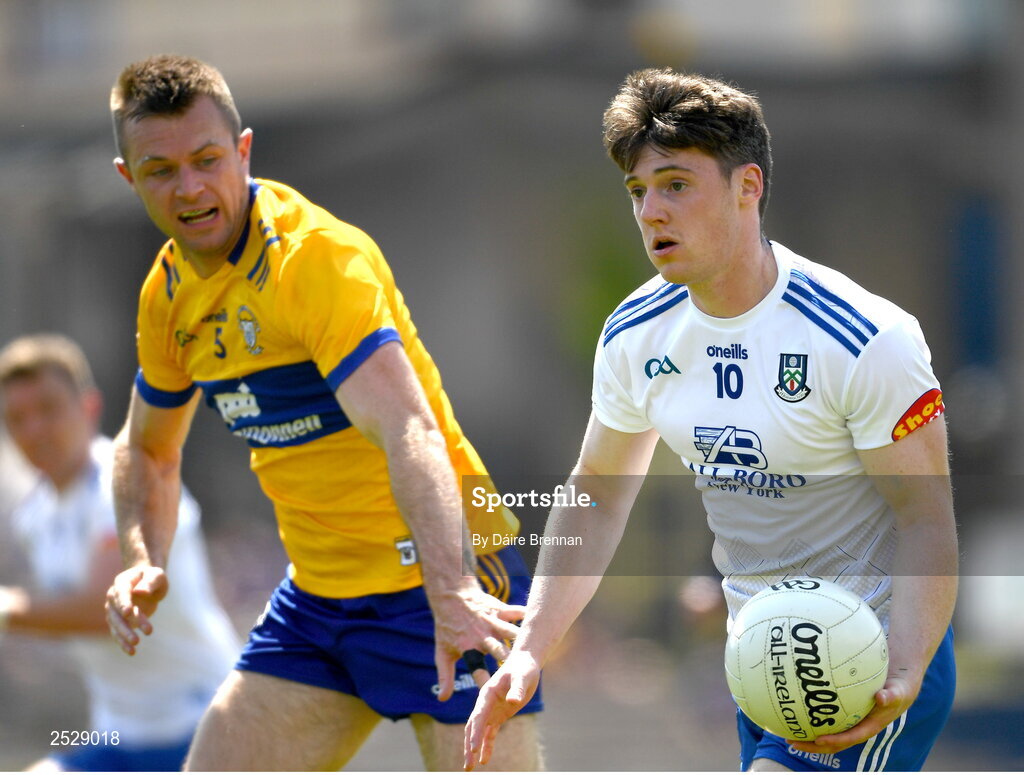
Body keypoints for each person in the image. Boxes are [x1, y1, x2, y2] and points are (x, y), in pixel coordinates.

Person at [464, 68, 957, 773]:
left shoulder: (863, 337)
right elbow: (598, 492)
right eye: (638, 192)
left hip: (866, 652)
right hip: (758, 659)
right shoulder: (636, 334)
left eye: (675, 185)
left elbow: (925, 514)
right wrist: (532, 649)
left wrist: (904, 669)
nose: (650, 213)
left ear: (747, 188)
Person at [103, 54, 542, 772]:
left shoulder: (314, 261)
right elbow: (146, 448)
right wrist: (141, 560)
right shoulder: (167, 296)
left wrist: (453, 588)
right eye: (160, 170)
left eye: (207, 160)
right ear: (129, 178)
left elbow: (407, 426)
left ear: (242, 152)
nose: (189, 189)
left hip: (440, 583)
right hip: (320, 601)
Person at [0, 333, 240, 772]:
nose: (34, 430)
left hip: (204, 724)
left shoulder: (123, 481)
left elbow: (104, 610)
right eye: (17, 418)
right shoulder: (33, 516)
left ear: (89, 408)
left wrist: (8, 610)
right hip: (117, 732)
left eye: (48, 409)